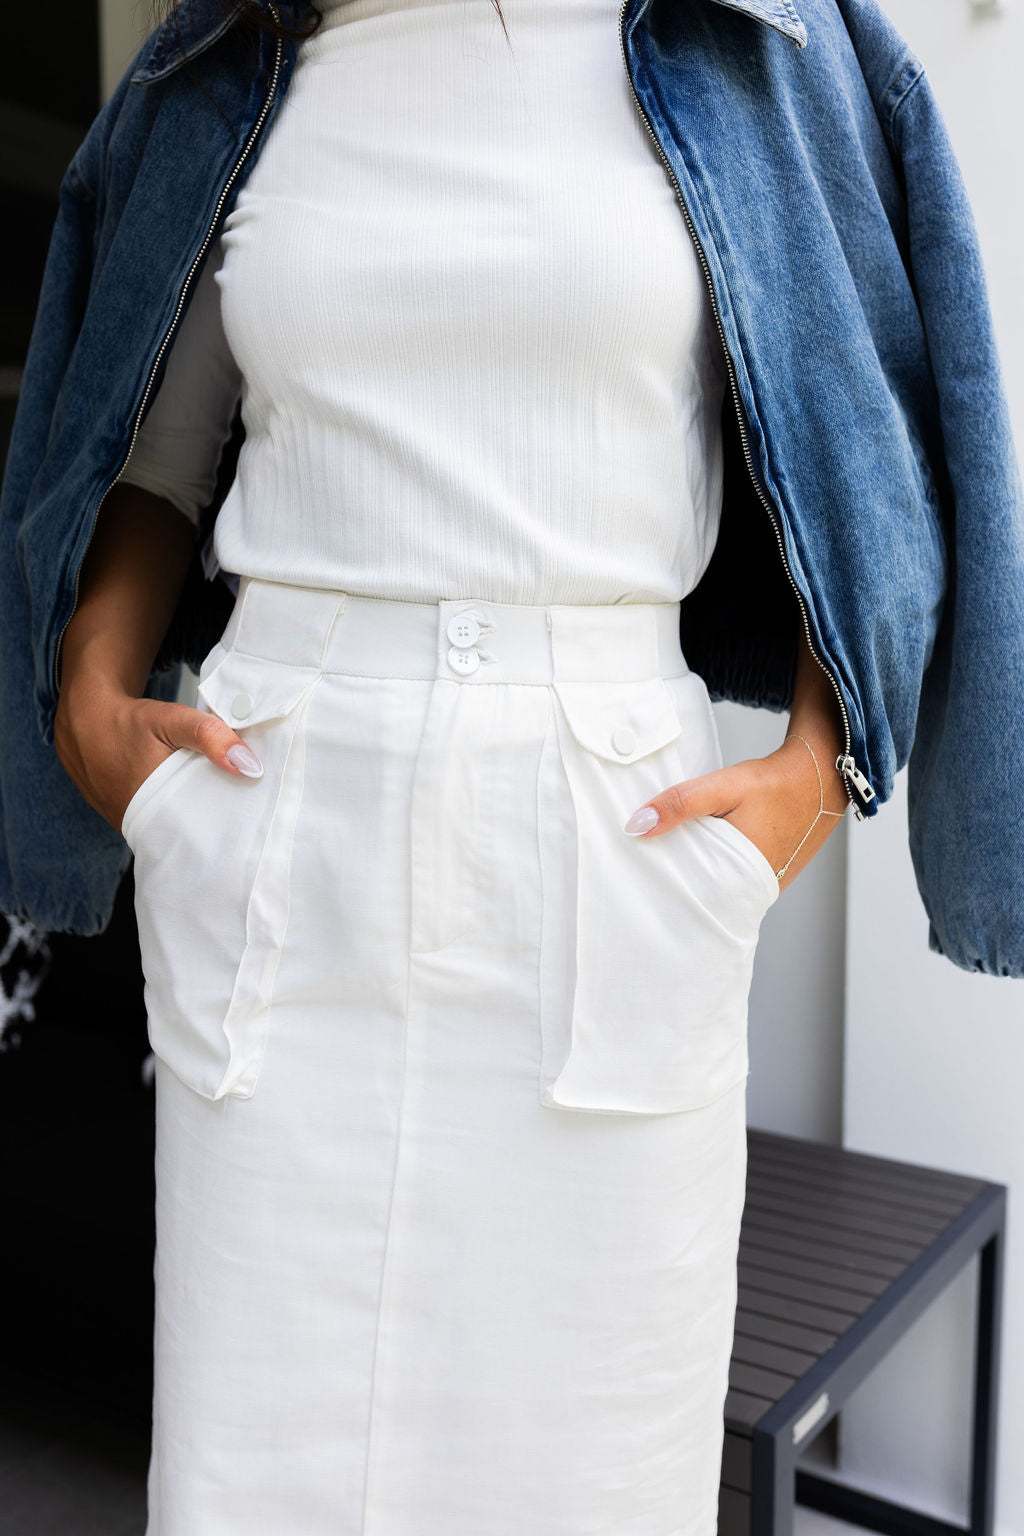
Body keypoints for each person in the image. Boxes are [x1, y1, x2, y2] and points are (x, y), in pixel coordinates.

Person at [3, 0, 1022, 1529]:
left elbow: (863, 421)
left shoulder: (754, 45)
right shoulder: (242, 56)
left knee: (591, 1471)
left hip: (606, 834)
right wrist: (90, 695)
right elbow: (157, 441)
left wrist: (818, 765)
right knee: (255, 1477)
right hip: (279, 825)